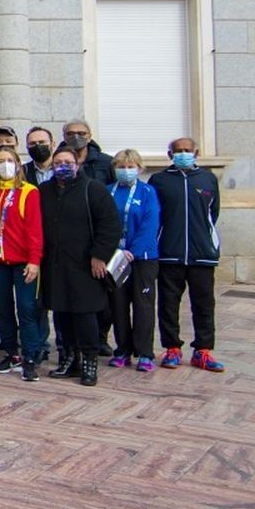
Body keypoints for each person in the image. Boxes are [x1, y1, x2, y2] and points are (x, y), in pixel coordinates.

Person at [39, 144, 122, 387]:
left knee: (84, 314)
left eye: (67, 163)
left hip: (85, 265)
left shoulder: (93, 189)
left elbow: (110, 225)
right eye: (57, 163)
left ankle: (89, 361)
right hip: (56, 264)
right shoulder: (44, 190)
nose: (62, 167)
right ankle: (69, 358)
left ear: (77, 165)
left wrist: (99, 255)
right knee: (62, 313)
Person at [150, 137, 224, 372]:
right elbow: (155, 216)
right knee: (168, 304)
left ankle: (203, 350)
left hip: (202, 254)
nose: (183, 154)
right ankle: (172, 348)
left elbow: (213, 213)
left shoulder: (207, 179)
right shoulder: (159, 180)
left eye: (187, 150)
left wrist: (206, 241)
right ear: (170, 154)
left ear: (196, 152)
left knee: (204, 304)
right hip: (169, 253)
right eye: (178, 151)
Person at [0, 147, 45, 380]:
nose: (5, 165)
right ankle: (11, 352)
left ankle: (30, 356)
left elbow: (35, 230)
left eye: (9, 160)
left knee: (27, 309)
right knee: (3, 309)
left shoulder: (29, 192)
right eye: (0, 161)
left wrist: (34, 260)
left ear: (18, 164)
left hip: (23, 262)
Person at [108, 149, 161, 372]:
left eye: (130, 166)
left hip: (142, 259)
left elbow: (151, 224)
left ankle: (145, 352)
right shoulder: (107, 191)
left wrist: (133, 251)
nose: (126, 171)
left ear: (139, 168)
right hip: (115, 258)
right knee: (118, 305)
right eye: (121, 166)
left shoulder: (148, 192)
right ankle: (122, 349)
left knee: (143, 305)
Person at [62, 120, 115, 185]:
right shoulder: (57, 162)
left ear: (89, 137)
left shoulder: (106, 161)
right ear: (64, 137)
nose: (76, 137)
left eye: (81, 133)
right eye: (70, 134)